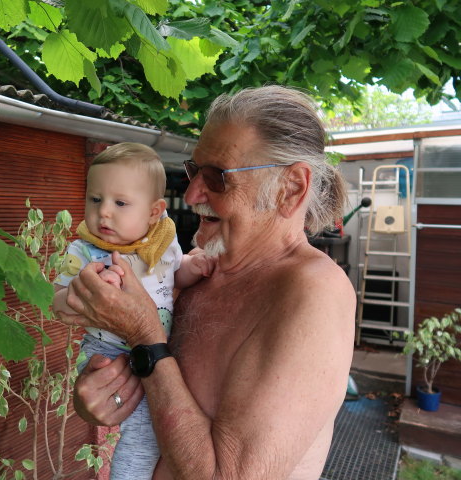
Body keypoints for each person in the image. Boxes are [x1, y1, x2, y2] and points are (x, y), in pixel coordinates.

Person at [58, 86, 356, 480]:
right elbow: (154, 384)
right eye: (194, 170)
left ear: (291, 188)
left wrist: (143, 334)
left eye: (217, 177)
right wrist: (102, 396)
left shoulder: (312, 291)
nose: (193, 192)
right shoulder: (199, 268)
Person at [53, 142, 214, 479]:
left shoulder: (163, 243)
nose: (104, 212)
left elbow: (173, 272)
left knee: (146, 432)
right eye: (95, 199)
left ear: (155, 212)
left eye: (120, 203)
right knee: (143, 429)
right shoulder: (85, 251)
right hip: (107, 353)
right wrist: (83, 292)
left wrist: (192, 269)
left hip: (154, 354)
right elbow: (56, 299)